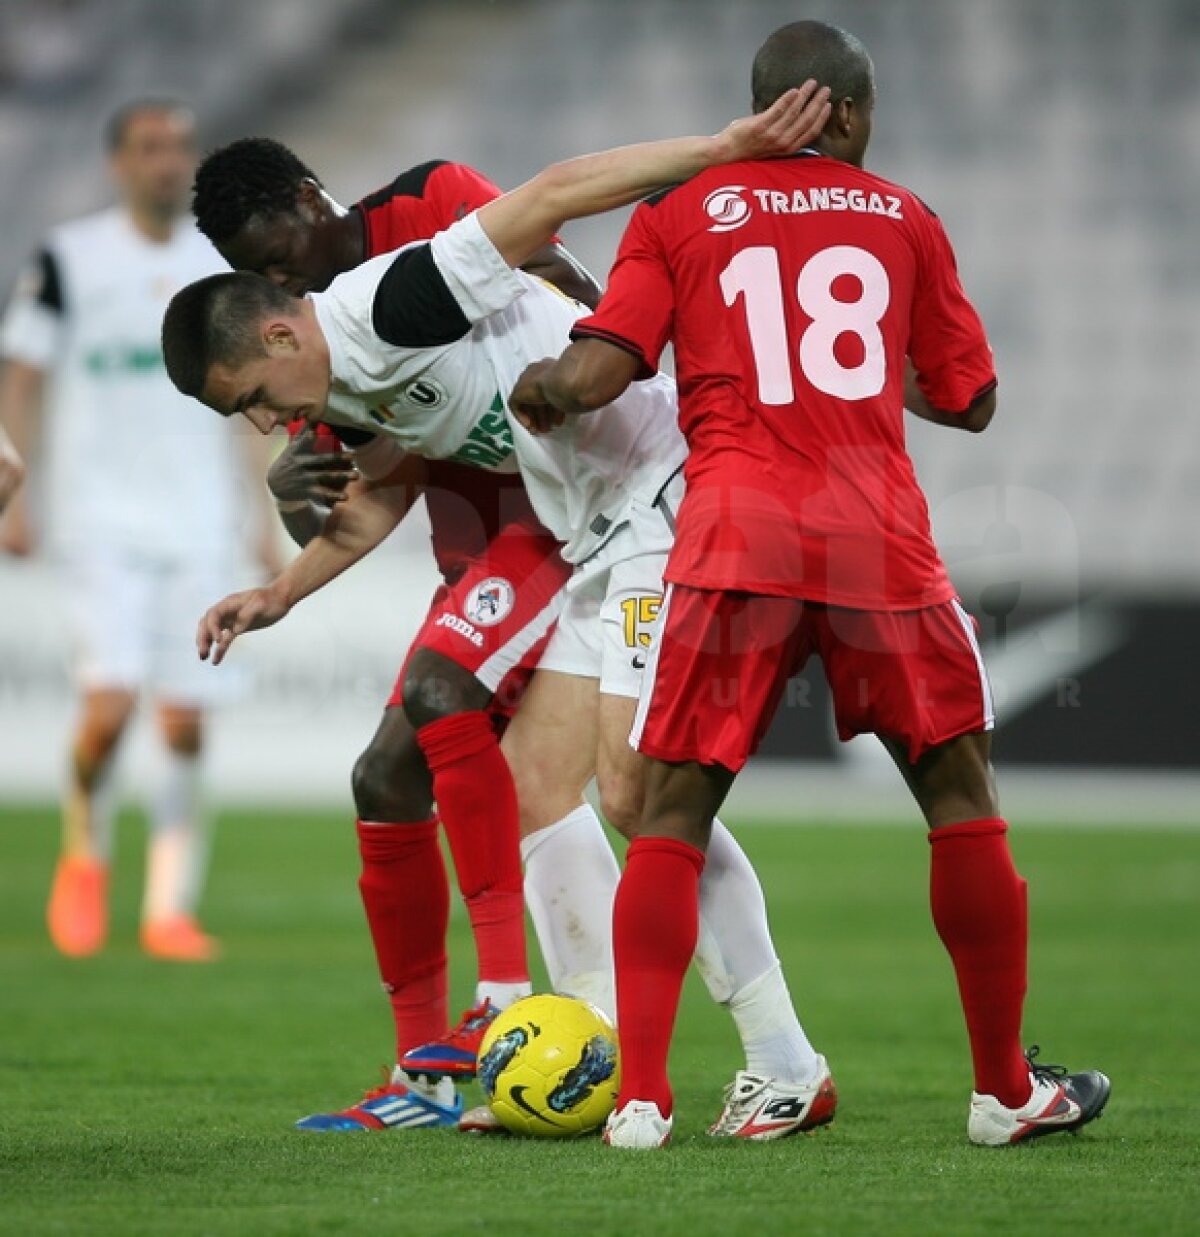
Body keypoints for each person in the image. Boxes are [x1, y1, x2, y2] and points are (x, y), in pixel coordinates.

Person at [167, 85, 841, 1140]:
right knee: (537, 784)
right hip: (593, 534)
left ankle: (784, 1061)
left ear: (285, 331)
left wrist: (725, 148)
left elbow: (555, 192)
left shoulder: (395, 297)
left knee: (636, 792)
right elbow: (382, 490)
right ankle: (584, 1059)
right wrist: (276, 593)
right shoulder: (336, 381)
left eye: (251, 394)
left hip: (665, 498)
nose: (263, 424)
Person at [507, 19, 1111, 1150]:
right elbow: (970, 396)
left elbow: (595, 374)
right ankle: (1003, 1093)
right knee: (959, 802)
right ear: (834, 109)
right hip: (876, 541)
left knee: (671, 816)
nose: (871, 135)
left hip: (733, 539)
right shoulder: (905, 217)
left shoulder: (677, 212)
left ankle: (640, 1100)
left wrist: (538, 387)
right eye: (866, 113)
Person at [191, 138, 599, 1129]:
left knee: (604, 780)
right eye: (257, 273)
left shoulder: (433, 205)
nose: (278, 277)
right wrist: (292, 500)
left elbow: (571, 287)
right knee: (385, 775)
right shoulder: (303, 345)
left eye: (277, 251)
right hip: (481, 554)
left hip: (571, 513)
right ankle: (425, 1078)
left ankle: (510, 1006)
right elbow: (349, 506)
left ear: (307, 196)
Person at [0, 99, 279, 962]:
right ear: (119, 162)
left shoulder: (217, 266)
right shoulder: (69, 259)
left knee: (187, 721)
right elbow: (23, 375)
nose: (168, 163)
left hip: (200, 523)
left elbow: (250, 399)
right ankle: (84, 849)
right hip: (99, 522)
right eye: (150, 148)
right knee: (110, 711)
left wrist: (261, 517)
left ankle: (168, 906)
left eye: (180, 149)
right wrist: (13, 489)